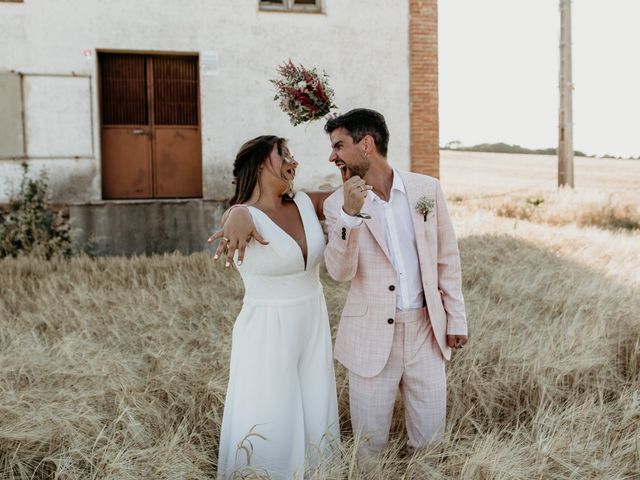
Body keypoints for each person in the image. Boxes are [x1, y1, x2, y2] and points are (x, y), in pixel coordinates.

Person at [322, 108, 467, 456]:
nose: (332, 156)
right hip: (370, 339)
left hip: (427, 332)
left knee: (430, 444)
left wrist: (456, 318)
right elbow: (339, 272)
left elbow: (447, 259)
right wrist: (350, 215)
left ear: (367, 144)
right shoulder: (336, 205)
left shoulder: (426, 190)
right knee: (369, 448)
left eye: (339, 146)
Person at [210, 136, 339, 479]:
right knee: (271, 417)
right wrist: (237, 211)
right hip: (267, 332)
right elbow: (237, 217)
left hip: (312, 322)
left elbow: (348, 196)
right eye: (284, 154)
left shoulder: (304, 203)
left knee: (315, 412)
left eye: (292, 154)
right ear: (260, 165)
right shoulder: (242, 216)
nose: (292, 160)